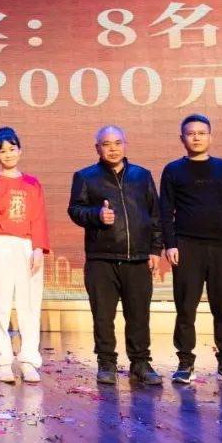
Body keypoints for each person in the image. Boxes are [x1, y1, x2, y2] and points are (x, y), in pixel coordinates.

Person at [67, 125, 163, 387]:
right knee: (103, 315)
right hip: (101, 259)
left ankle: (140, 363)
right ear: (97, 148)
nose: (113, 148)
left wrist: (155, 249)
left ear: (125, 144)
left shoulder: (142, 176)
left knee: (139, 315)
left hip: (137, 258)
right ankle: (106, 363)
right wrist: (96, 215)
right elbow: (75, 210)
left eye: (117, 143)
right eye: (106, 144)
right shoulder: (85, 177)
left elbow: (155, 215)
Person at [160, 114, 222, 386]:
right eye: (191, 133)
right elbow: (165, 211)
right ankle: (185, 362)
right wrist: (170, 243)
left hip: (220, 247)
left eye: (202, 133)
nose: (197, 138)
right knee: (185, 308)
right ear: (182, 139)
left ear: (211, 137)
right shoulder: (173, 170)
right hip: (187, 246)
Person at [0, 127, 49, 384]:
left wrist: (38, 248)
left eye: (12, 148)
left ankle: (28, 360)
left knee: (29, 302)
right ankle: (3, 360)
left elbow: (39, 217)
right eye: (2, 150)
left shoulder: (32, 183)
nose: (8, 154)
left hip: (26, 245)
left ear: (20, 149)